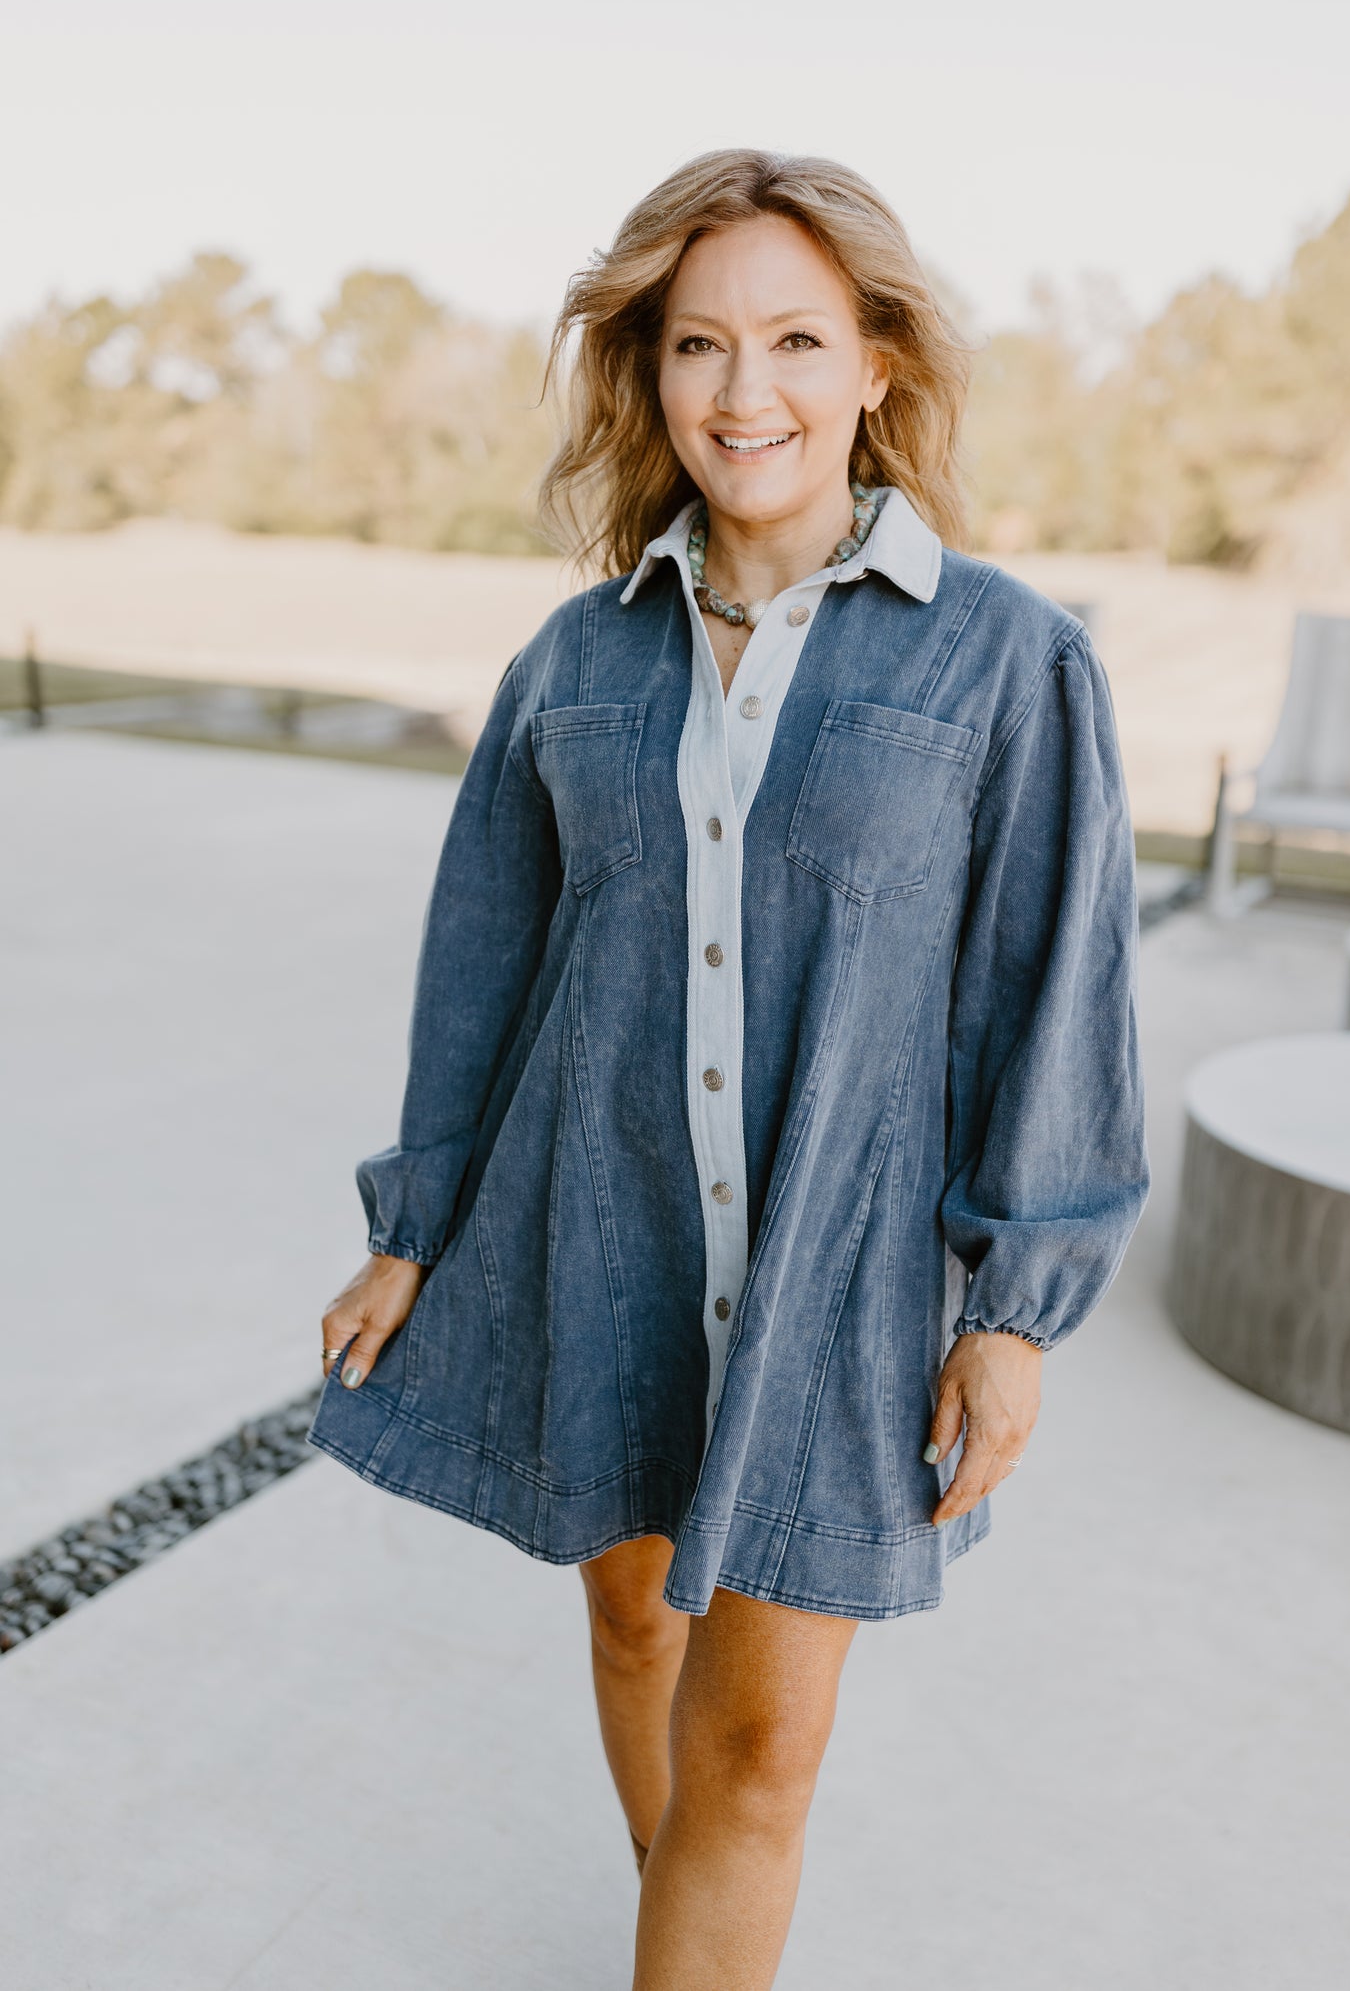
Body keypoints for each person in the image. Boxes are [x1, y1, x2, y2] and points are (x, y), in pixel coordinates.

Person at [308, 148, 1150, 1990]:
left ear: (877, 369)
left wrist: (1017, 1308)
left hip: (840, 1297)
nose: (741, 392)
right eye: (698, 345)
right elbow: (485, 978)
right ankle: (674, 1905)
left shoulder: (1010, 664)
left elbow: (1052, 999)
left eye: (791, 340)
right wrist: (415, 1223)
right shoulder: (572, 661)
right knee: (631, 1637)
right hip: (594, 1243)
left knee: (760, 1745)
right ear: (649, 372)